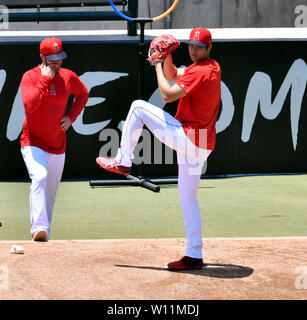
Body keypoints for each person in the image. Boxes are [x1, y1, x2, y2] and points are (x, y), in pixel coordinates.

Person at [96, 27, 221, 270]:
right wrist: (166, 58)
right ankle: (194, 254)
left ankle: (123, 160)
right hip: (202, 144)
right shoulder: (211, 67)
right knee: (188, 198)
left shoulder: (202, 71)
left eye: (199, 46)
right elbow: (175, 75)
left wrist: (155, 64)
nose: (194, 50)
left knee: (138, 107)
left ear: (209, 48)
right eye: (191, 45)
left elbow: (166, 94)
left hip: (189, 137)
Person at [20, 37, 89, 241]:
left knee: (50, 193)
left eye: (60, 58)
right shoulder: (30, 77)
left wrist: (71, 117)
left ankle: (43, 233)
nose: (57, 63)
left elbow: (83, 94)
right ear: (42, 57)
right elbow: (30, 106)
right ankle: (38, 227)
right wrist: (44, 79)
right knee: (39, 176)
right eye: (52, 59)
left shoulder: (68, 77)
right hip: (32, 141)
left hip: (58, 145)